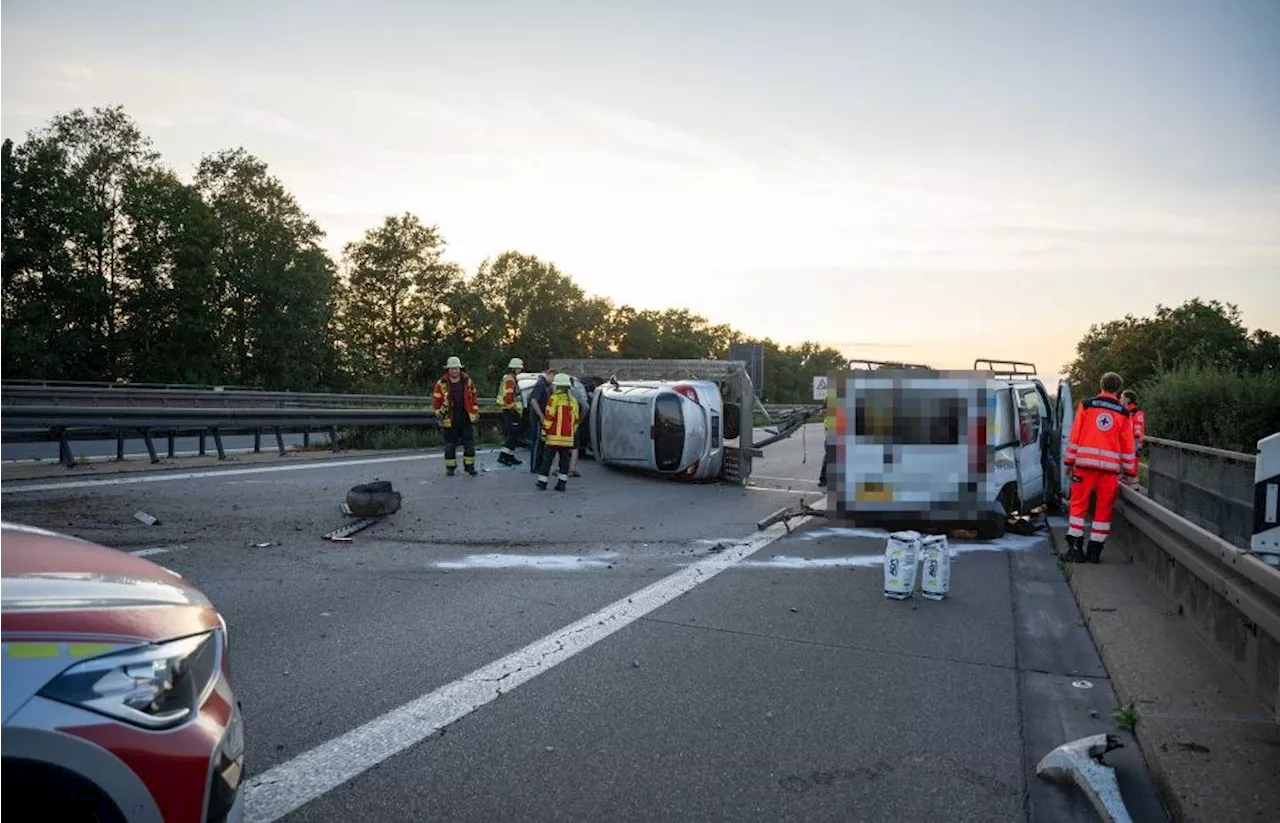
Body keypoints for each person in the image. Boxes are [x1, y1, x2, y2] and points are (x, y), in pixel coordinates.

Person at [1063, 371, 1138, 563]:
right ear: (1118, 389)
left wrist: (1069, 463)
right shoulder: (1123, 413)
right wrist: (1130, 474)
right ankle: (1094, 553)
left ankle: (1075, 550)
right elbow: (1128, 446)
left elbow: (1075, 436)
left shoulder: (1087, 406)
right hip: (1109, 472)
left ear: (1101, 385)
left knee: (1078, 506)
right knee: (1103, 511)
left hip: (1084, 467)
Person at [431, 355, 480, 476]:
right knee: (450, 444)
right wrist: (439, 416)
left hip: (465, 416)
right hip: (449, 418)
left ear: (460, 369)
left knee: (469, 443)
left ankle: (469, 467)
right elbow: (436, 401)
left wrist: (475, 412)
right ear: (448, 370)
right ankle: (450, 468)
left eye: (456, 368)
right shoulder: (441, 383)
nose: (454, 371)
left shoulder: (467, 381)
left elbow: (474, 397)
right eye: (452, 369)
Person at [536, 373, 579, 492]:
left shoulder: (553, 399)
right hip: (567, 438)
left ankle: (542, 483)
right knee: (564, 461)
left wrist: (544, 432)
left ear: (558, 386)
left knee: (547, 460)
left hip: (553, 437)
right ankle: (562, 484)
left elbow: (549, 417)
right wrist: (571, 434)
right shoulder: (573, 401)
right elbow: (576, 420)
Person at [526, 366, 556, 474]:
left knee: (541, 441)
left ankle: (538, 465)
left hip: (541, 417)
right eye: (553, 378)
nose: (553, 381)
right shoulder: (541, 384)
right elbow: (534, 401)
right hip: (537, 417)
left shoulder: (546, 385)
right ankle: (534, 467)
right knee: (537, 441)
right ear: (550, 374)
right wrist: (541, 415)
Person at [496, 357, 525, 466]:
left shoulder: (510, 378)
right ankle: (503, 457)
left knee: (514, 435)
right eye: (519, 369)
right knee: (512, 435)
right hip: (510, 410)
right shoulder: (510, 380)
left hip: (509, 410)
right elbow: (508, 398)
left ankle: (510, 456)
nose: (520, 371)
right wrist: (514, 410)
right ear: (514, 369)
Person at [567, 375, 591, 477]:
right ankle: (572, 469)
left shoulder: (555, 394)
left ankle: (556, 468)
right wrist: (580, 419)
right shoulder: (576, 393)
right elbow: (586, 407)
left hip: (559, 425)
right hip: (574, 424)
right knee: (575, 447)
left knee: (558, 446)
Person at [1121, 389, 1146, 454]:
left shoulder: (1137, 414)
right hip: (1126, 448)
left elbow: (1137, 434)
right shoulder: (1126, 412)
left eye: (1122, 397)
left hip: (1132, 450)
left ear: (1127, 399)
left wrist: (1132, 452)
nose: (1120, 400)